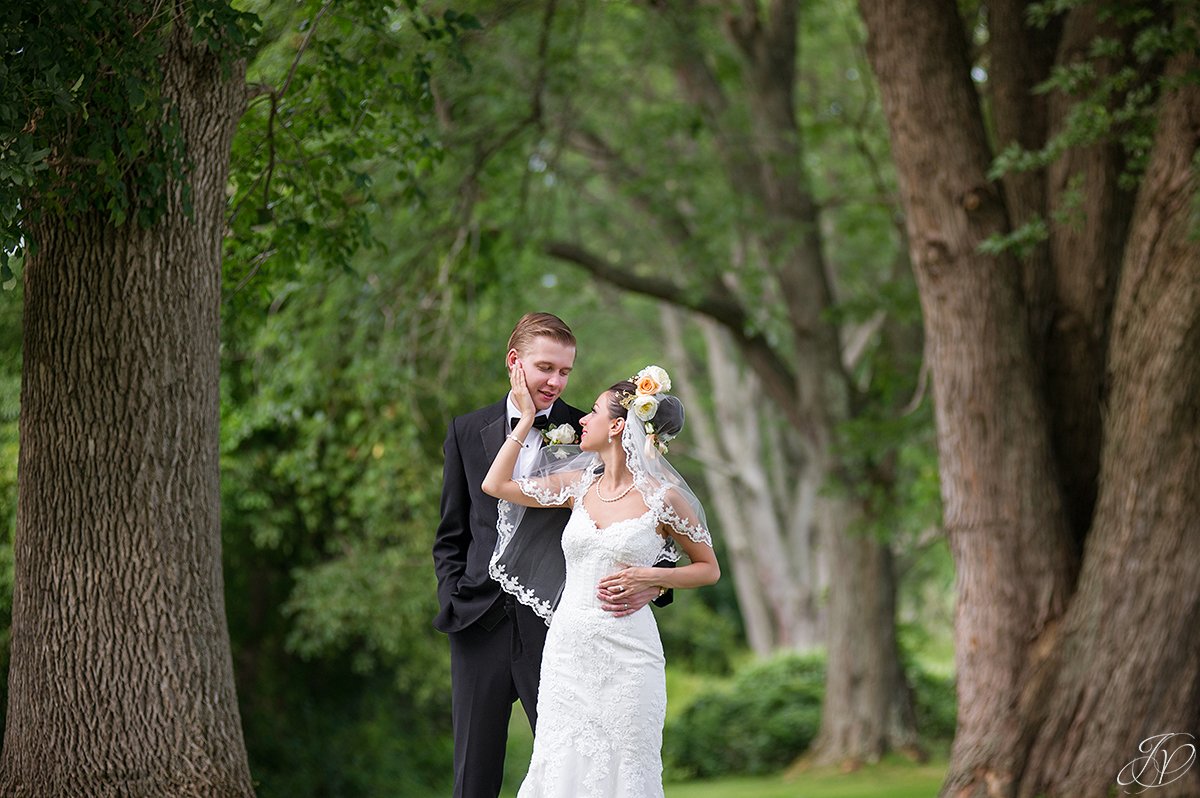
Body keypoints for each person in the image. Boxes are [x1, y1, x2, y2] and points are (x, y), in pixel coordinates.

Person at [433, 313, 669, 798]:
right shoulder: (466, 430)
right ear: (514, 362)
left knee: (570, 774)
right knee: (472, 779)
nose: (556, 382)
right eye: (545, 368)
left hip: (562, 634)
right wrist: (452, 596)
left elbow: (646, 513)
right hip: (477, 625)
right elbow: (451, 534)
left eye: (565, 371)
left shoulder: (590, 430)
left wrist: (657, 580)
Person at [482, 362, 720, 798]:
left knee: (625, 767)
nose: (583, 420)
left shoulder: (663, 498)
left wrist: (653, 576)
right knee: (561, 762)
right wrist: (525, 423)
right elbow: (495, 484)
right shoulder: (578, 484)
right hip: (568, 652)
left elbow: (709, 568)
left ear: (616, 426)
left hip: (629, 653)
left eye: (593, 411)